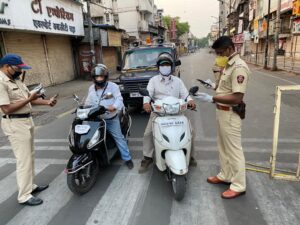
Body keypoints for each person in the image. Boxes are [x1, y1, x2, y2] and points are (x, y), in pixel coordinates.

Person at [196, 36, 250, 199]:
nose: (218, 56)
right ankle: (226, 175)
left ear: (229, 49)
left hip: (231, 113)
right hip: (222, 112)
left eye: (220, 53)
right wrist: (212, 86)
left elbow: (236, 97)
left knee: (234, 150)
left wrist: (212, 98)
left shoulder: (239, 67)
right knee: (223, 147)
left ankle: (239, 185)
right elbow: (225, 88)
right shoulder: (227, 65)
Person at [0, 54, 57, 206]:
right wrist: (29, 99)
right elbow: (6, 108)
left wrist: (47, 102)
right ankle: (24, 196)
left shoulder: (16, 80)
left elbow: (29, 98)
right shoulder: (1, 82)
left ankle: (30, 186)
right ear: (7, 67)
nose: (20, 71)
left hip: (27, 120)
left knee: (30, 156)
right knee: (23, 160)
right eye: (18, 68)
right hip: (14, 123)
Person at [139, 52, 197, 173]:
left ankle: (189, 155)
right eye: (162, 64)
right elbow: (148, 94)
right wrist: (146, 103)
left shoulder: (177, 81)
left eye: (167, 64)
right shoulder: (153, 81)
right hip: (158, 112)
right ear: (158, 67)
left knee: (191, 132)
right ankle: (147, 157)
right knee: (147, 134)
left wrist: (191, 101)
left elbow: (185, 94)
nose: (165, 67)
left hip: (177, 112)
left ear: (171, 67)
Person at [85, 64, 134, 169]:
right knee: (87, 136)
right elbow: (87, 102)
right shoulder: (91, 89)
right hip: (96, 119)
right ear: (93, 78)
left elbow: (119, 99)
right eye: (97, 77)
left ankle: (127, 158)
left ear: (105, 77)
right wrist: (84, 108)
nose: (99, 79)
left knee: (119, 138)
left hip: (110, 118)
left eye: (101, 76)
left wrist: (114, 106)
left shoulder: (113, 86)